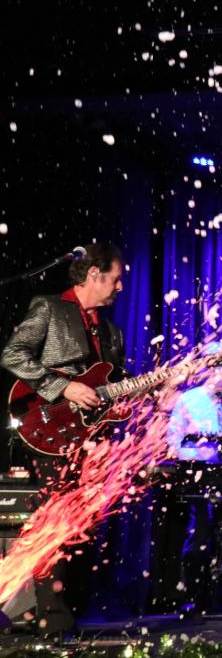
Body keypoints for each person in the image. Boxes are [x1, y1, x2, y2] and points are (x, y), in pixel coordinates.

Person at [0, 242, 126, 634]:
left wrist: (153, 389)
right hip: (48, 430)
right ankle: (52, 617)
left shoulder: (111, 332)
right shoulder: (49, 308)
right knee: (54, 521)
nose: (120, 287)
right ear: (93, 274)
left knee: (81, 525)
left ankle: (69, 610)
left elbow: (113, 391)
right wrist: (63, 387)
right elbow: (12, 355)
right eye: (116, 278)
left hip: (89, 439)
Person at [151, 348, 222, 616]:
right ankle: (195, 595)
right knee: (199, 536)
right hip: (199, 476)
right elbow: (174, 441)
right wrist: (199, 455)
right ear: (210, 368)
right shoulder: (189, 400)